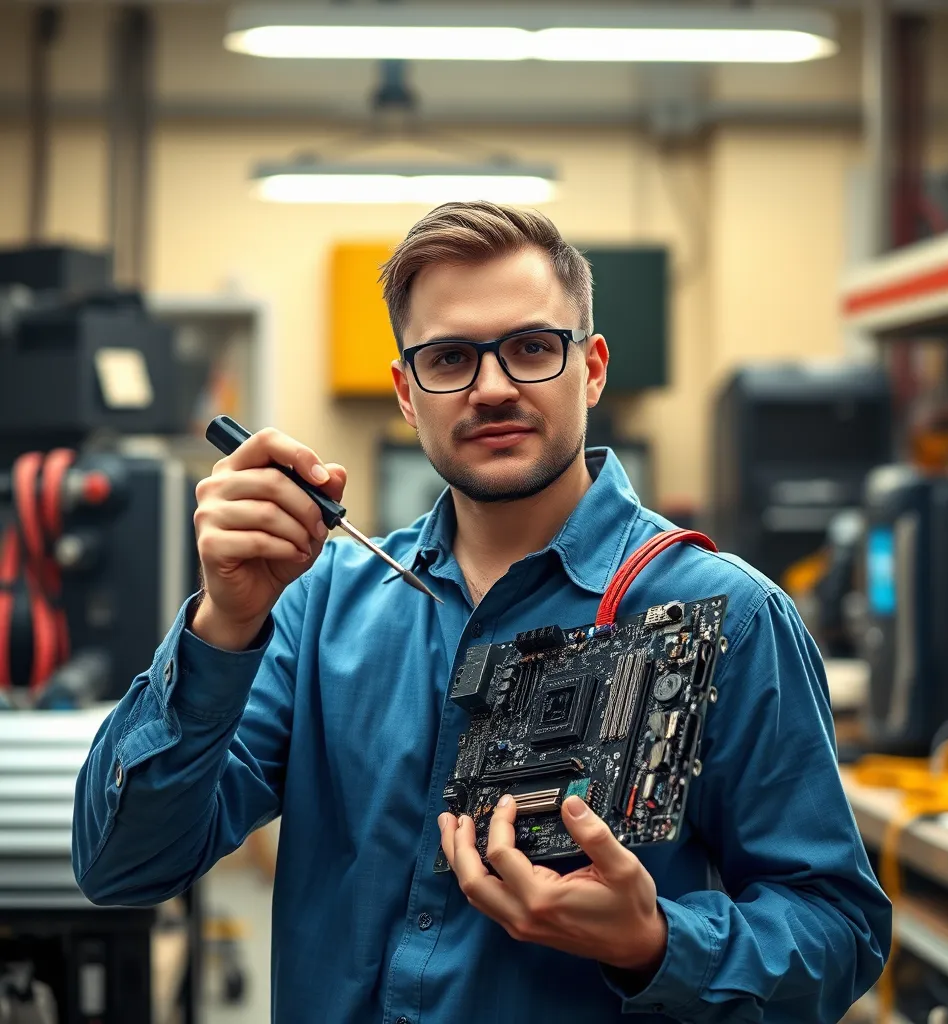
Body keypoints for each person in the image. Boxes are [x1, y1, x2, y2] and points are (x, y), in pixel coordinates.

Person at [73, 202, 890, 1023]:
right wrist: (224, 622)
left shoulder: (730, 616)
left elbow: (839, 932)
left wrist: (655, 943)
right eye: (450, 357)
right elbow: (123, 868)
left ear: (593, 367)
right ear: (406, 391)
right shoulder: (318, 607)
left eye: (532, 348)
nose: (492, 387)